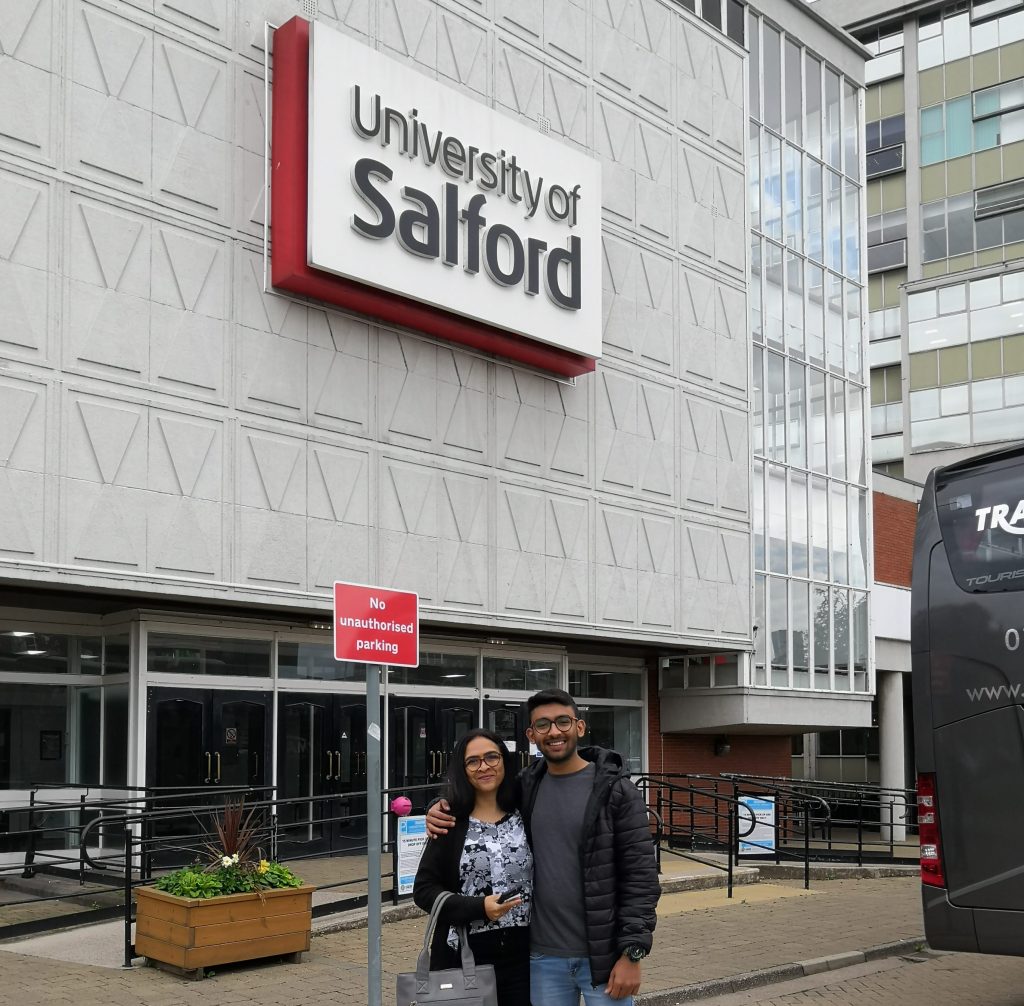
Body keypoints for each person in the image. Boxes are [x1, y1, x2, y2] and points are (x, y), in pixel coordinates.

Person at [427, 689, 659, 1005]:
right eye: (543, 725)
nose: (554, 732)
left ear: (579, 727)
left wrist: (632, 952)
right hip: (541, 958)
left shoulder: (617, 792)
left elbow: (641, 878)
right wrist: (438, 806)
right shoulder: (525, 787)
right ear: (531, 735)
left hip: (603, 956)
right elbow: (480, 797)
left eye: (562, 721)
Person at [414, 728, 533, 1006]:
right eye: (473, 761)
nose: (484, 767)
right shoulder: (450, 821)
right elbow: (424, 890)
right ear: (462, 769)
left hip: (524, 957)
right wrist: (478, 908)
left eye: (492, 757)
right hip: (464, 955)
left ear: (505, 760)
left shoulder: (524, 812)